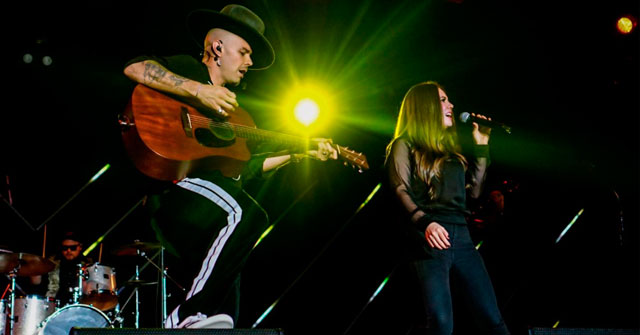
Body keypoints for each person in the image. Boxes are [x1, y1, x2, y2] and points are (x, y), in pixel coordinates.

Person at [122, 4, 338, 329]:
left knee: (227, 297)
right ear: (218, 48)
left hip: (209, 204)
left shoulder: (235, 114)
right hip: (176, 188)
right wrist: (197, 89)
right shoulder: (188, 70)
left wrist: (299, 152)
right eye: (245, 52)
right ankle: (182, 318)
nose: (250, 62)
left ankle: (201, 319)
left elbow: (243, 170)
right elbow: (134, 67)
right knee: (245, 214)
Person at [385, 81, 510, 334]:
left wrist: (482, 144)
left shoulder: (449, 152)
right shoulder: (404, 144)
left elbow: (473, 192)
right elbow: (400, 189)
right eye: (443, 100)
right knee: (441, 323)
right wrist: (426, 222)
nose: (451, 105)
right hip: (428, 240)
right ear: (425, 107)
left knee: (492, 319)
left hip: (462, 239)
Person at [44, 231, 92, 307]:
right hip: (55, 306)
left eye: (73, 248)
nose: (68, 251)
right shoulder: (52, 263)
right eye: (65, 248)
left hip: (80, 305)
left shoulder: (88, 265)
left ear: (80, 247)